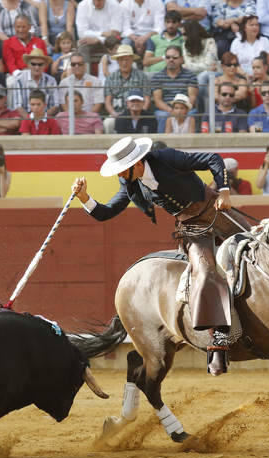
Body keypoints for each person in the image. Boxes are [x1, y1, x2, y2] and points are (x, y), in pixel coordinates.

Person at [70, 136, 252, 375]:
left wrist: (224, 193)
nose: (120, 176)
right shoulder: (130, 184)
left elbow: (213, 159)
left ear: (136, 163)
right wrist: (85, 198)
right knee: (205, 273)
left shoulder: (165, 158)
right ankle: (217, 343)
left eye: (123, 170)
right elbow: (106, 212)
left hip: (217, 211)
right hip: (193, 230)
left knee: (257, 250)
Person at [151, 45, 198, 132]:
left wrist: (183, 110)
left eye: (174, 57)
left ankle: (191, 144)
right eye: (168, 57)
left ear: (181, 59)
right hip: (166, 109)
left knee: (192, 114)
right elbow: (157, 101)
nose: (171, 60)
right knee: (163, 115)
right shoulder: (157, 77)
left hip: (185, 108)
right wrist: (171, 111)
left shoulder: (190, 75)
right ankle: (162, 144)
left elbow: (192, 97)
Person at [75, 0, 127, 65]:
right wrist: (102, 34)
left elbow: (115, 32)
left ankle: (116, 73)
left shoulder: (114, 5)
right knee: (82, 46)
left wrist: (97, 39)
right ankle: (85, 73)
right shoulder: (83, 5)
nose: (97, 3)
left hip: (109, 41)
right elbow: (81, 33)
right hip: (90, 41)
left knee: (117, 46)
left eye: (100, 0)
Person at [182, 19, 218, 112]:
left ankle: (201, 112)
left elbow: (209, 64)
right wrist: (202, 67)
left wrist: (190, 66)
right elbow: (188, 64)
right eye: (182, 34)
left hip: (212, 75)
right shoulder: (184, 45)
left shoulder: (210, 41)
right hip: (193, 76)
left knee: (202, 77)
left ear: (192, 33)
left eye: (185, 34)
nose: (183, 37)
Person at [13, 48, 60, 116]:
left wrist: (43, 118)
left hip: (46, 117)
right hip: (25, 118)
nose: (37, 67)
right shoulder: (19, 80)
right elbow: (18, 106)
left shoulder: (51, 80)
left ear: (45, 65)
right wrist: (30, 120)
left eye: (40, 64)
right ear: (28, 65)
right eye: (33, 64)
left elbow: (55, 105)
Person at [143, 9, 183, 74]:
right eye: (168, 22)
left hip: (176, 75)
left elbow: (185, 60)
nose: (170, 25)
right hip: (155, 74)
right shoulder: (154, 39)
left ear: (179, 24)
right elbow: (146, 62)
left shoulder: (183, 39)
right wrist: (165, 57)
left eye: (173, 22)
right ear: (164, 23)